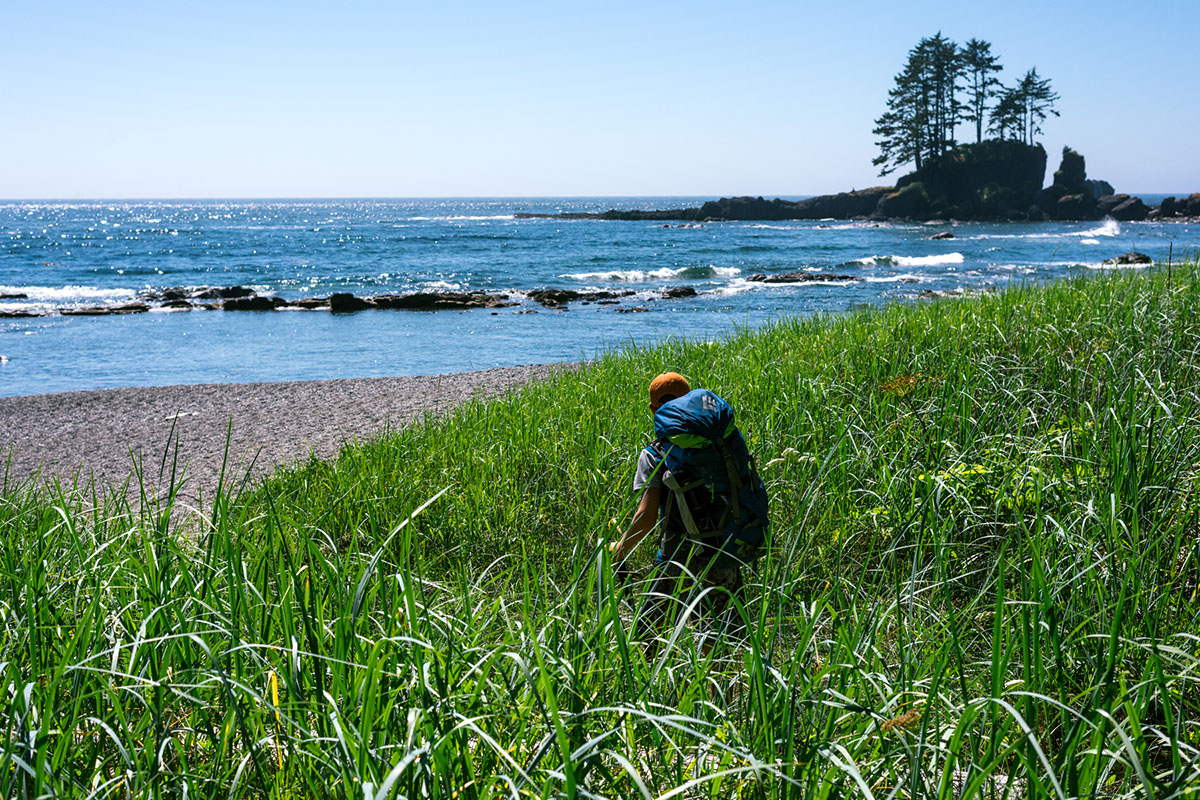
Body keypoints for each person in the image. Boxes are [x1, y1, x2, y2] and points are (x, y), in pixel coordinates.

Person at [609, 372, 747, 644]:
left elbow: (646, 518)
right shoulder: (718, 443)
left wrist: (620, 548)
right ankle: (721, 688)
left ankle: (659, 686)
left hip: (677, 562)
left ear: (652, 408)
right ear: (690, 399)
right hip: (726, 552)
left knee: (647, 640)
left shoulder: (654, 454)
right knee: (721, 644)